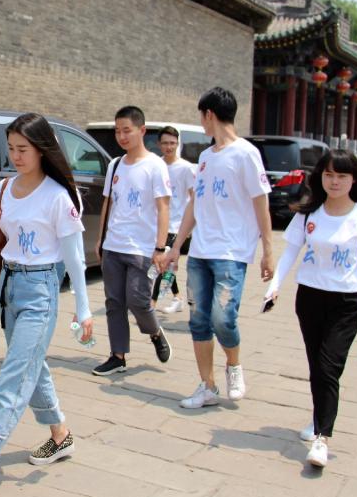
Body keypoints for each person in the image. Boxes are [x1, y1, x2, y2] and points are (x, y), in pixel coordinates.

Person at [0, 113, 94, 497]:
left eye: (23, 149)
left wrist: (84, 308)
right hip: (10, 287)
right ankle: (60, 435)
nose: (16, 156)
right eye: (11, 148)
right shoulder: (4, 189)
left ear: (42, 149)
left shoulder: (59, 197)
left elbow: (75, 259)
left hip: (41, 291)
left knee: (14, 374)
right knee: (32, 365)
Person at [264, 149, 357, 469]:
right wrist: (274, 286)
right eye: (329, 175)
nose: (334, 182)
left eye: (342, 176)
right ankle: (320, 416)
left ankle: (321, 437)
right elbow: (290, 252)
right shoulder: (308, 215)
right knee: (317, 365)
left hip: (347, 302)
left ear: (354, 180)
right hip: (310, 298)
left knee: (328, 367)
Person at [160, 87, 273, 408]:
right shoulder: (206, 158)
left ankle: (233, 366)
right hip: (200, 252)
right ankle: (207, 386)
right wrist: (176, 247)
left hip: (231, 253)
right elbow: (194, 205)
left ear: (209, 114)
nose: (201, 121)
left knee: (223, 318)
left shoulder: (246, 153)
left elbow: (261, 202)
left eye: (201, 116)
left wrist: (268, 251)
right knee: (199, 321)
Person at [92, 106, 172, 376]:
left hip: (142, 248)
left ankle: (155, 331)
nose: (122, 136)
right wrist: (100, 239)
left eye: (127, 130)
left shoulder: (155, 166)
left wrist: (160, 247)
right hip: (113, 245)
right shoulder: (115, 165)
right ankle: (118, 356)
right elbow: (108, 203)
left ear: (142, 130)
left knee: (138, 300)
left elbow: (163, 208)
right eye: (117, 131)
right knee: (114, 302)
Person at [153, 126, 196, 314]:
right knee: (165, 264)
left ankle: (151, 305)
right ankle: (177, 298)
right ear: (159, 144)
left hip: (177, 225)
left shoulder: (186, 168)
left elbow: (194, 198)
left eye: (172, 143)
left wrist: (191, 226)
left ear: (178, 144)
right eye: (165, 143)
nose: (169, 147)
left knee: (162, 263)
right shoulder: (156, 165)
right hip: (158, 223)